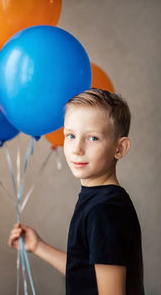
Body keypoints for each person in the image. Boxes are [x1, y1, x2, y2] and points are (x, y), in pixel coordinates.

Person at [8, 88, 144, 294]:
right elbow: (85, 273)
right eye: (70, 135)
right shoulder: (98, 199)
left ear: (120, 148)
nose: (77, 148)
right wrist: (38, 246)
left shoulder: (105, 211)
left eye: (92, 138)